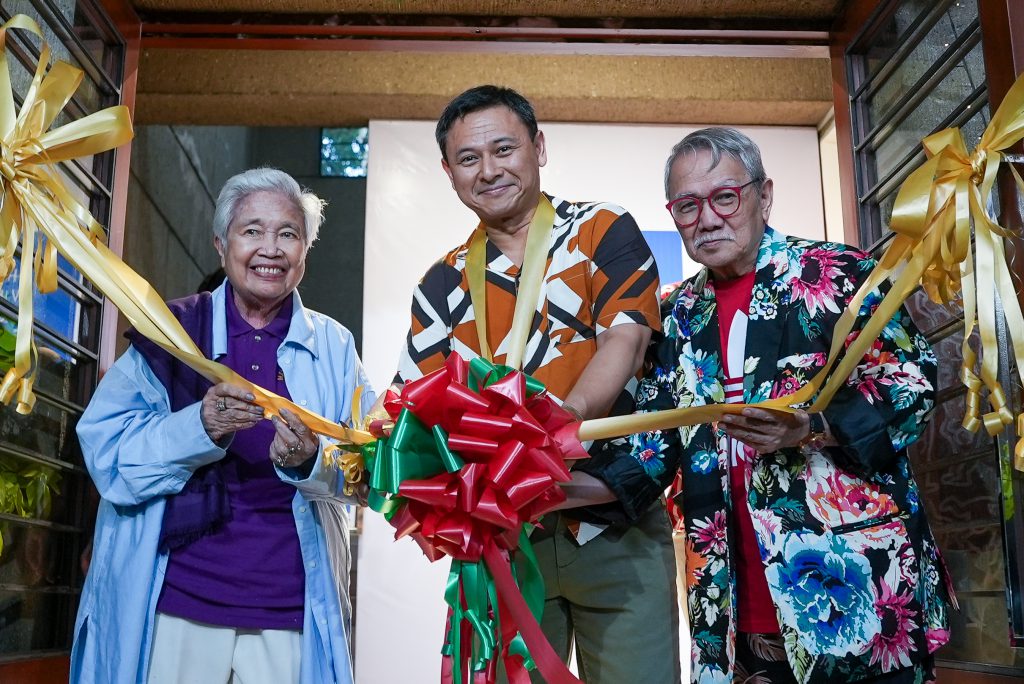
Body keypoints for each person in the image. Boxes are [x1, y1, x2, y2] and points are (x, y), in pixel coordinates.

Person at [622, 127, 954, 683]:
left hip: (859, 587)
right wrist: (549, 485)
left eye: (725, 197)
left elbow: (911, 384)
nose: (707, 219)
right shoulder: (675, 315)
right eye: (687, 206)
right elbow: (652, 444)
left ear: (764, 194)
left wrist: (812, 427)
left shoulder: (837, 274)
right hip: (731, 600)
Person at [396, 85, 681, 683]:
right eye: (469, 159)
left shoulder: (603, 232)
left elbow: (624, 342)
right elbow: (415, 411)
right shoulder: (440, 283)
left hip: (610, 517)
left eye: (505, 149)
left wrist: (555, 432)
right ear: (448, 173)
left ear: (539, 147)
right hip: (506, 540)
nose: (490, 170)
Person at [70, 168, 373, 684]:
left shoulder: (335, 346)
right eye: (252, 231)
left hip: (288, 606)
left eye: (288, 234)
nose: (270, 249)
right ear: (220, 243)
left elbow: (370, 471)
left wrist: (310, 462)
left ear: (305, 251)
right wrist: (199, 427)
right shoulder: (169, 331)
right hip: (177, 597)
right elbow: (105, 451)